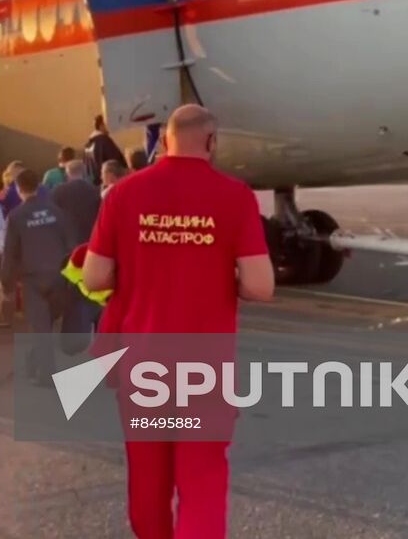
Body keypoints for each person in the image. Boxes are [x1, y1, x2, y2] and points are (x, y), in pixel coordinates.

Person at [82, 105, 275, 539]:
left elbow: (94, 277)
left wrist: (135, 270)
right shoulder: (234, 195)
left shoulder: (124, 194)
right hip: (203, 367)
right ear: (211, 142)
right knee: (202, 481)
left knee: (148, 483)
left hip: (144, 364)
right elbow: (262, 286)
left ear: (165, 140)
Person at [0, 168, 77, 385]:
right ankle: (37, 363)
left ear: (18, 188)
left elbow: (10, 253)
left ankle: (46, 373)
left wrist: (6, 285)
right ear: (38, 185)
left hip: (33, 279)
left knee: (41, 327)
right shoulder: (56, 212)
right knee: (46, 325)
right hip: (58, 276)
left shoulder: (16, 217)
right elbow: (71, 244)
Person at [51, 159, 101, 243]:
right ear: (84, 173)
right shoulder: (95, 190)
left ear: (67, 174)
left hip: (67, 240)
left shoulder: (57, 191)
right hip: (90, 237)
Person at [83, 114, 128, 184]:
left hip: (95, 184)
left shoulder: (88, 145)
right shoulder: (105, 141)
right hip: (109, 181)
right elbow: (116, 162)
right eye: (108, 124)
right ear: (102, 126)